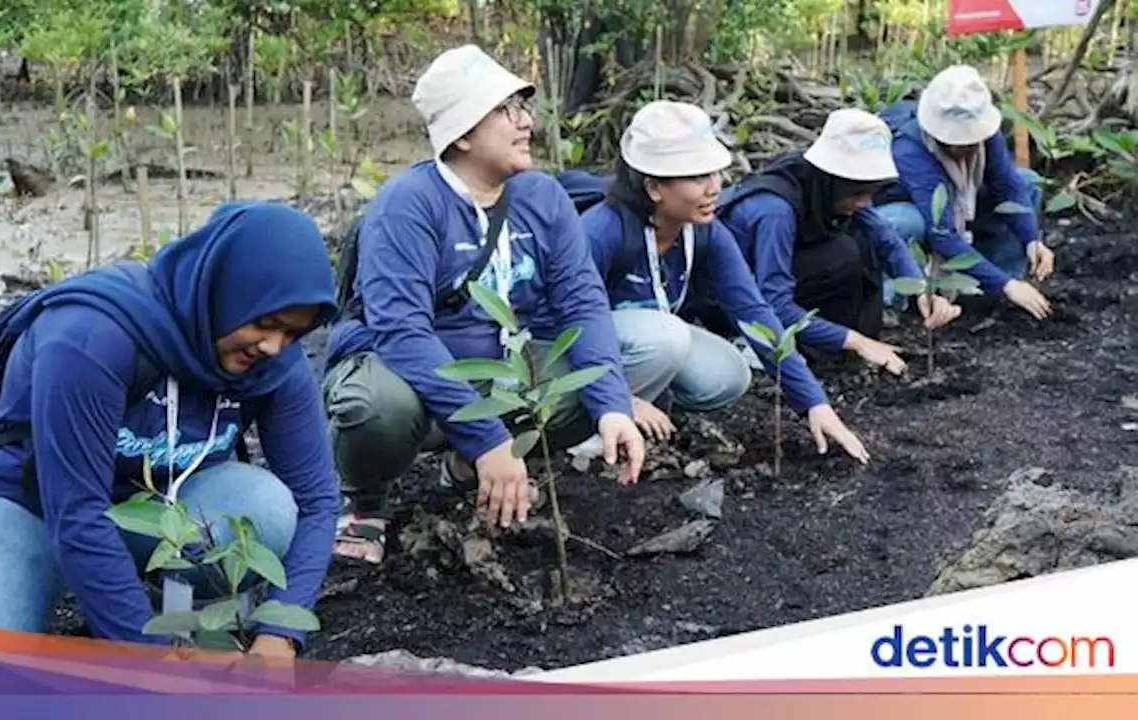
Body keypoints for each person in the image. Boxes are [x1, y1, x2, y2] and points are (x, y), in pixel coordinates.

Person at [0, 202, 341, 663]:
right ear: (225, 290)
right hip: (34, 509)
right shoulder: (92, 334)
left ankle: (189, 612)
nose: (274, 346)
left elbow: (318, 500)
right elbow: (77, 513)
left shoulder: (275, 363)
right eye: (265, 323)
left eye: (293, 333)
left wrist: (280, 635)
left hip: (156, 513)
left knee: (265, 508)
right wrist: (154, 661)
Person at [323, 44, 646, 566]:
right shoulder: (408, 205)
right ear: (464, 133)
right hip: (404, 370)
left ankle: (465, 470)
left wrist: (612, 405)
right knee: (376, 408)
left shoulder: (543, 197)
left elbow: (582, 303)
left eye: (523, 108)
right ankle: (365, 504)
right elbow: (402, 333)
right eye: (506, 111)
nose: (525, 124)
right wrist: (491, 439)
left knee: (587, 385)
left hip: (496, 366)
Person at [581, 100, 869, 464]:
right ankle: (592, 426)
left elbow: (753, 311)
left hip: (642, 344)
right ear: (654, 188)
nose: (714, 187)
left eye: (715, 173)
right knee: (668, 335)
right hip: (582, 357)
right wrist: (619, 396)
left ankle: (647, 401)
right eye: (698, 176)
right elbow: (559, 324)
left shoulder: (704, 232)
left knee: (729, 374)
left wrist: (814, 402)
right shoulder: (601, 231)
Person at [717, 108, 962, 375]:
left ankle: (831, 345)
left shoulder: (826, 186)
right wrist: (858, 342)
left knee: (862, 242)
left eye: (871, 191)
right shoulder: (775, 210)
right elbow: (773, 302)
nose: (865, 202)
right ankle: (760, 346)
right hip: (733, 305)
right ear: (836, 179)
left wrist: (919, 291)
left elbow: (884, 237)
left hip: (778, 276)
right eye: (858, 192)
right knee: (841, 253)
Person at [873, 64, 1054, 321]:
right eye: (957, 142)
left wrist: (1031, 239)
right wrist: (1006, 285)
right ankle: (896, 302)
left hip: (957, 206)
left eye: (971, 140)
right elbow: (942, 233)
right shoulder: (909, 149)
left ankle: (991, 288)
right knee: (903, 221)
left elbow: (1007, 185)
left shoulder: (986, 136)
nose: (966, 146)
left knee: (1027, 183)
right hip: (909, 216)